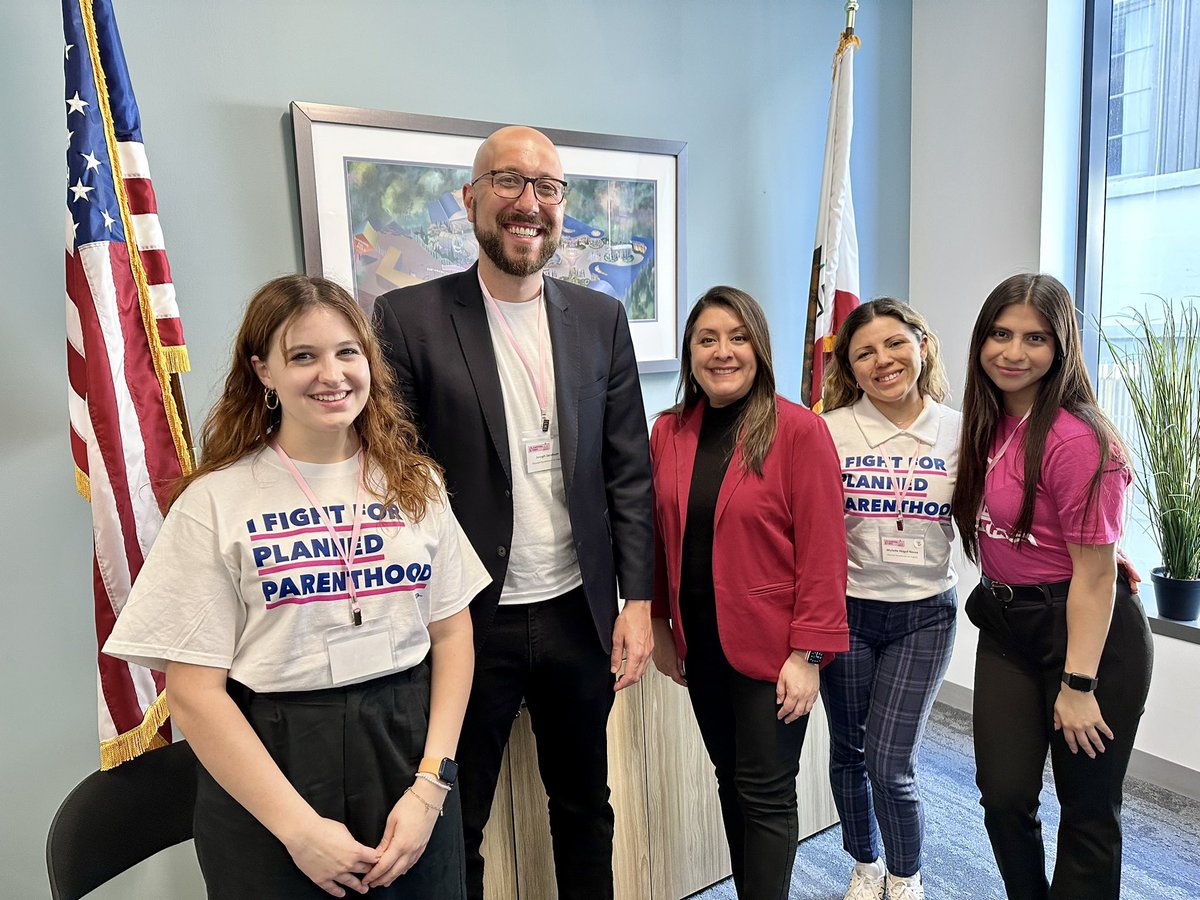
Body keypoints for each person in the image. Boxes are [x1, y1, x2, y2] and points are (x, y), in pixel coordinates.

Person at [104, 275, 487, 899]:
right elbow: (194, 692)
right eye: (303, 356)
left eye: (347, 352)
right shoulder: (215, 501)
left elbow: (452, 633)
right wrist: (298, 829)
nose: (331, 374)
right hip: (273, 766)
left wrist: (431, 787)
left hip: (407, 755)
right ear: (263, 371)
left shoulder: (415, 482)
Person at [373, 125, 655, 900]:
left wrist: (638, 599)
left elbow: (627, 469)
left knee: (584, 808)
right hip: (469, 620)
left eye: (547, 188)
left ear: (563, 205)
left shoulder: (600, 319)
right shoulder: (408, 318)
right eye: (508, 182)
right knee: (456, 820)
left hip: (578, 612)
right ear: (470, 200)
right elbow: (400, 477)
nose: (528, 203)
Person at [951, 273, 1154, 899]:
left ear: (1060, 346)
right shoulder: (985, 421)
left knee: (1088, 811)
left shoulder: (1078, 438)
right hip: (1010, 630)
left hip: (1090, 640)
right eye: (1001, 334)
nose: (1014, 352)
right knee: (1005, 797)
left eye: (1035, 338)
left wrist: (1079, 684)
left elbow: (1095, 576)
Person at [649, 285, 848, 900]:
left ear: (759, 348)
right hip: (702, 646)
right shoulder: (669, 431)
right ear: (689, 352)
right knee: (730, 781)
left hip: (774, 653)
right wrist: (660, 626)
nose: (722, 351)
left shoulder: (799, 431)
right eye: (707, 339)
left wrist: (809, 653)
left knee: (764, 793)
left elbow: (823, 552)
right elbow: (659, 538)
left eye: (737, 338)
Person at [819, 298, 961, 900]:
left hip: (924, 614)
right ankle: (865, 863)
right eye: (865, 353)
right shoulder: (829, 429)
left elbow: (1007, 504)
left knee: (890, 762)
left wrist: (1096, 552)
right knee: (848, 750)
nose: (884, 360)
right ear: (850, 369)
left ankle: (906, 878)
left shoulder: (962, 429)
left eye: (895, 343)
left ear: (921, 344)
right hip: (846, 611)